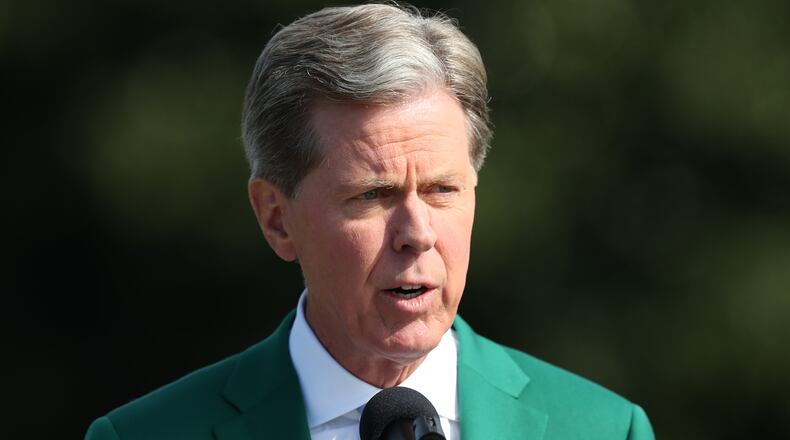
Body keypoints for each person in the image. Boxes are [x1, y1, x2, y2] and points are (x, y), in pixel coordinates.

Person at [85, 3, 655, 439]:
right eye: (372, 196)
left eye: (442, 190)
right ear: (277, 219)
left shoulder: (604, 429)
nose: (418, 232)